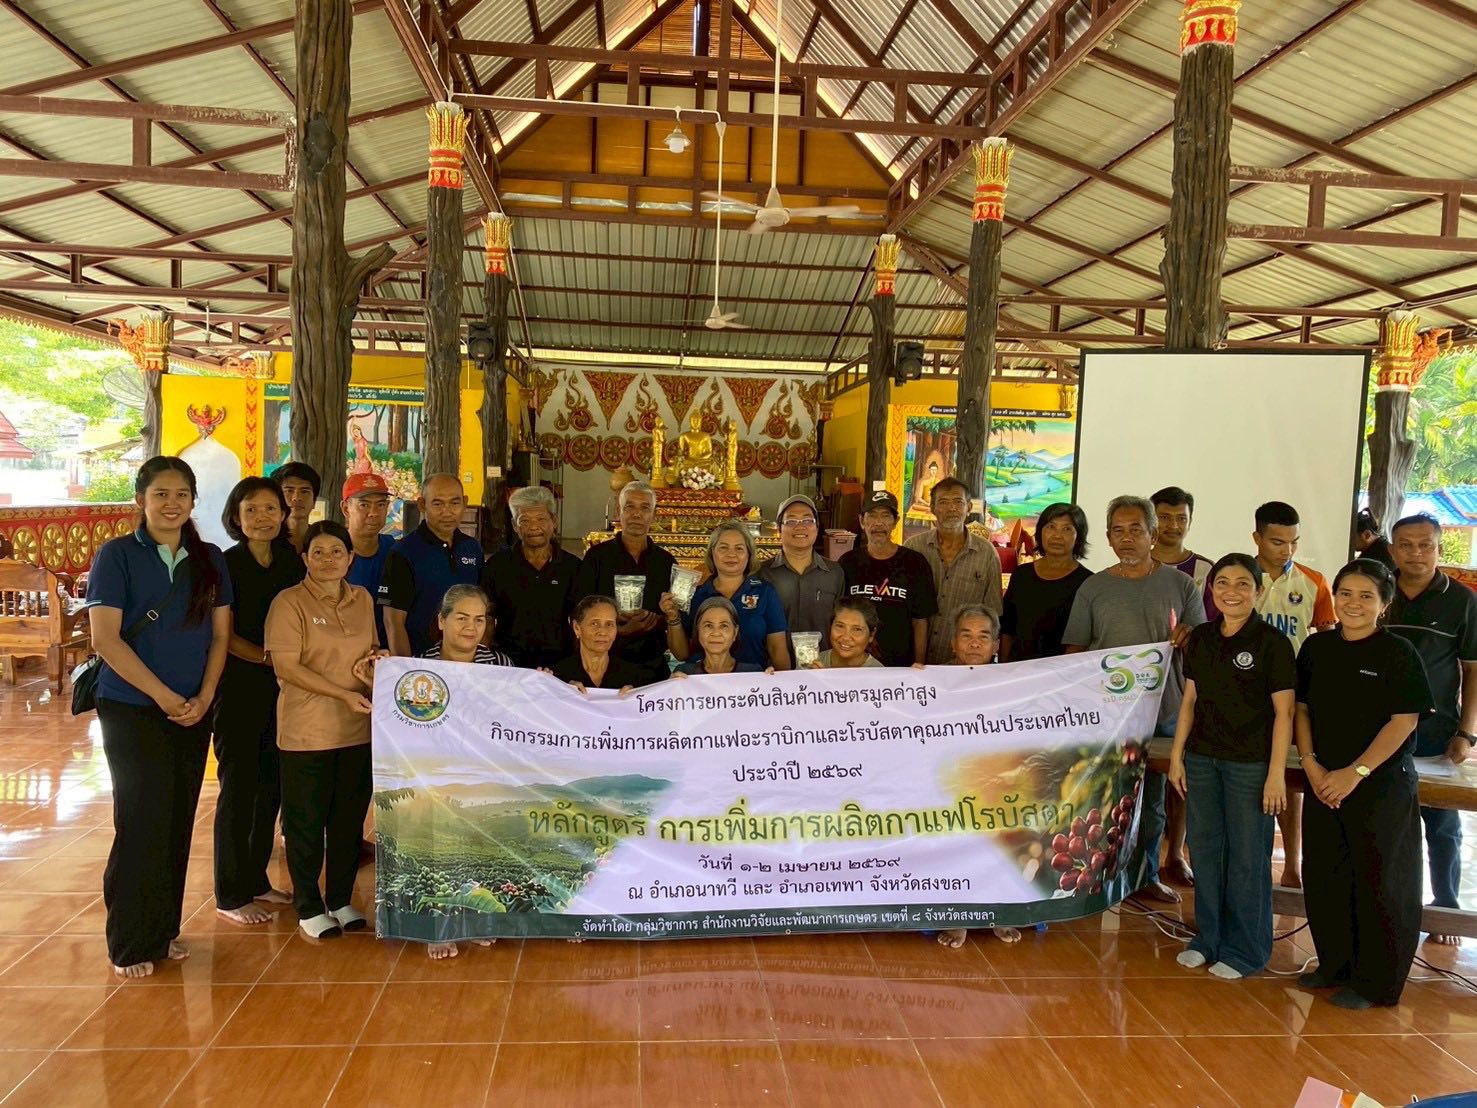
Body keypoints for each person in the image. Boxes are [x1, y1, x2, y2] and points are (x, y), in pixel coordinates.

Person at [86, 456, 233, 976]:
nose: (172, 504)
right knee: (141, 819)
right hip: (132, 708)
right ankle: (130, 942)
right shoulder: (118, 556)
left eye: (181, 495)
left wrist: (206, 694)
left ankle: (163, 930)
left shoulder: (210, 558)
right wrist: (164, 696)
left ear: (193, 501)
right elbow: (106, 640)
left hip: (193, 710)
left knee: (176, 819)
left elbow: (220, 635)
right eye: (161, 494)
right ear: (141, 500)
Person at [1296, 558, 1432, 1009]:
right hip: (1323, 782)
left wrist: (1355, 773)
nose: (1353, 604)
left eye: (1366, 596)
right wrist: (1312, 766)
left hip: (1379, 784)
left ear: (1384, 604)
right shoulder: (1316, 648)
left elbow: (1403, 721)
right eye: (1346, 594)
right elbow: (1301, 710)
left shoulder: (1397, 652)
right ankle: (1335, 965)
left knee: (1381, 882)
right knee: (1326, 874)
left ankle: (1376, 984)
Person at [1062, 495, 1205, 904]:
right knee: (1106, 798)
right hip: (1109, 713)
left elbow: (1205, 650)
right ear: (1108, 538)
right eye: (1118, 531)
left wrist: (1190, 638)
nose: (1126, 539)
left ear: (1152, 534)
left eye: (1136, 530)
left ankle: (1144, 877)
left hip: (1166, 711)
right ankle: (1097, 880)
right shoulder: (1093, 588)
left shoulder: (1181, 585)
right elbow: (1075, 653)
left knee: (1154, 800)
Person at [1167, 553, 1296, 979]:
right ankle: (1208, 939)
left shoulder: (1272, 643)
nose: (1232, 592)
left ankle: (1246, 951)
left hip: (1249, 766)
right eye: (1223, 582)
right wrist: (1177, 757)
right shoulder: (1202, 637)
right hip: (1202, 760)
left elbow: (1285, 714)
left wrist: (1275, 774)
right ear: (1212, 589)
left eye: (1243, 584)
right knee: (1205, 850)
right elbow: (1190, 701)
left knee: (1247, 857)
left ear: (1258, 591)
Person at [265, 521, 380, 940]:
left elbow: (369, 650)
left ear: (351, 558)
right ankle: (309, 906)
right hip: (307, 730)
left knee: (348, 823)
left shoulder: (362, 599)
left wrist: (375, 664)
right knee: (306, 824)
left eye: (336, 552)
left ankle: (341, 900)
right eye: (318, 552)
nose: (328, 560)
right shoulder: (289, 602)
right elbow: (286, 667)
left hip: (358, 729)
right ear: (305, 559)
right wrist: (341, 694)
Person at [213, 477, 303, 926]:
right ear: (236, 516)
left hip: (286, 689)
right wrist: (272, 660)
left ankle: (256, 879)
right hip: (239, 686)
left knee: (271, 784)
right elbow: (223, 635)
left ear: (283, 514)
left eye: (271, 509)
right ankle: (230, 894)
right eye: (251, 509)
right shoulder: (225, 564)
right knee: (238, 788)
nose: (262, 517)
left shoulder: (291, 561)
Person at [1385, 512, 1477, 946]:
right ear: (1392, 550)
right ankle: (1389, 904)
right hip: (1377, 732)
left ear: (1440, 548)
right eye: (1406, 545)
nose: (1416, 553)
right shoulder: (1378, 590)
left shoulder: (1461, 600)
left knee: (1441, 824)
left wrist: (1467, 732)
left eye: (1426, 545)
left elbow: (1472, 670)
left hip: (1437, 732)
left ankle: (1445, 905)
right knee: (1386, 824)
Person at [415, 584, 507, 959]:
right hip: (435, 773)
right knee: (438, 850)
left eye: (479, 620)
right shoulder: (418, 668)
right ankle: (437, 927)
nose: (471, 628)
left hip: (484, 772)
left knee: (481, 848)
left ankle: (474, 918)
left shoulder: (500, 665)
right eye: (462, 618)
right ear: (441, 621)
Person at [1251, 500, 1336, 892]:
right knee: (1248, 777)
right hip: (1243, 695)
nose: (1287, 550)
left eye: (1293, 542)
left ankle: (1292, 864)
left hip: (1292, 697)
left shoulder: (1314, 582)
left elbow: (1327, 644)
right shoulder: (1237, 577)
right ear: (1257, 538)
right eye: (1277, 541)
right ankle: (1252, 862)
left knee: (1288, 777)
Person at [936, 604, 1022, 950]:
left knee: (999, 842)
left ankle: (996, 911)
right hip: (949, 778)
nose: (974, 643)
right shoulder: (931, 680)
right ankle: (959, 914)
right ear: (953, 642)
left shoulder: (1015, 682)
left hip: (997, 779)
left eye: (983, 637)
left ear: (996, 644)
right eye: (966, 635)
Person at [572, 481, 675, 685]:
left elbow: (674, 616)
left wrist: (654, 620)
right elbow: (579, 609)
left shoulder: (665, 562)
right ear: (619, 511)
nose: (637, 514)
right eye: (630, 507)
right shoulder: (597, 557)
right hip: (604, 665)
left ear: (654, 514)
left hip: (651, 665)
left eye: (644, 508)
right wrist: (619, 627)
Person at [662, 522, 790, 671]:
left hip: (751, 680)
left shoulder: (764, 592)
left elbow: (777, 650)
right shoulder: (694, 595)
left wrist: (784, 683)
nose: (731, 554)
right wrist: (673, 617)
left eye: (739, 548)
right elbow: (682, 654)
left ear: (749, 554)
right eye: (723, 547)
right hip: (702, 680)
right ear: (712, 552)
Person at [904, 477, 1002, 664]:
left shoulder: (986, 553)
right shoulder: (913, 548)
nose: (951, 509)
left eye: (958, 502)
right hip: (913, 658)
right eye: (943, 502)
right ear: (932, 508)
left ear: (969, 507)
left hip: (963, 661)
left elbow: (992, 612)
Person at [480, 485, 580, 668]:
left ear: (554, 521)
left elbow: (579, 620)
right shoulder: (497, 566)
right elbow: (486, 618)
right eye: (524, 520)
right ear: (514, 526)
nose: (534, 527)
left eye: (541, 519)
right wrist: (483, 662)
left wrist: (577, 665)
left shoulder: (572, 567)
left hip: (560, 663)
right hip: (508, 663)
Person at [383, 474, 483, 658]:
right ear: (422, 505)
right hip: (421, 661)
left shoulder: (472, 548)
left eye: (455, 503)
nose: (447, 512)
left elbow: (482, 612)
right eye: (438, 504)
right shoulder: (403, 552)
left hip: (465, 662)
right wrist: (406, 667)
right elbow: (393, 621)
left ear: (465, 503)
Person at [838, 490, 937, 667]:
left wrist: (919, 663)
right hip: (856, 663)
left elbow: (920, 620)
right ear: (862, 521)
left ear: (895, 522)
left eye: (885, 516)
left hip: (901, 666)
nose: (878, 523)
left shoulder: (915, 563)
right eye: (872, 515)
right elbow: (839, 616)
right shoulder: (848, 562)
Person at [999, 503, 1093, 663]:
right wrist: (1002, 667)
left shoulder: (1087, 582)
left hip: (1061, 672)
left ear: (1078, 537)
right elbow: (1008, 629)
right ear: (1040, 532)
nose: (1057, 536)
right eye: (1051, 527)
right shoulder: (1022, 574)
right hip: (1018, 669)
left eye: (1067, 529)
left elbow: (1082, 641)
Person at [759, 494, 845, 653]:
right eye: (791, 521)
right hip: (773, 665)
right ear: (778, 529)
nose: (800, 527)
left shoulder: (834, 573)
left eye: (807, 520)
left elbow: (841, 623)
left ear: (817, 527)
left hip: (823, 664)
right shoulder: (762, 574)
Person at [549, 594, 651, 695]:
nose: (603, 632)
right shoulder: (556, 678)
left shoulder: (636, 678)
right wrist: (560, 690)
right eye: (594, 623)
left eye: (609, 624)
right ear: (577, 628)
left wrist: (637, 695)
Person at [341, 471, 395, 649]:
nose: (373, 513)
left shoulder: (396, 552)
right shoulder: (331, 555)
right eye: (364, 505)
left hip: (387, 654)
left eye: (381, 505)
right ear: (346, 509)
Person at [1151, 486, 1218, 620]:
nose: (1173, 525)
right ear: (1151, 521)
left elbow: (1214, 621)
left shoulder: (1205, 568)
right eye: (1165, 517)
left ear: (1190, 522)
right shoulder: (1136, 566)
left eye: (1181, 518)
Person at [671, 596, 769, 677]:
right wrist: (671, 685)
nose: (716, 633)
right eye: (708, 626)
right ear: (698, 631)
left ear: (735, 632)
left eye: (724, 626)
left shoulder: (753, 673)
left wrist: (772, 680)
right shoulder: (684, 673)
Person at [809, 597, 886, 669]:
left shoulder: (880, 674)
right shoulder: (811, 664)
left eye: (857, 629)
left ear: (871, 635)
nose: (846, 637)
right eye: (840, 626)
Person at [273, 461, 321, 553]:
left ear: (314, 501)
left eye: (304, 492)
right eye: (289, 491)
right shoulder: (267, 541)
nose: (296, 498)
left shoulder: (322, 540)